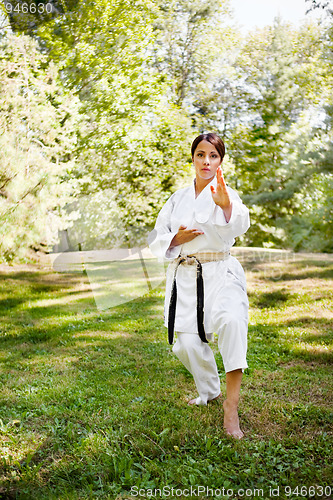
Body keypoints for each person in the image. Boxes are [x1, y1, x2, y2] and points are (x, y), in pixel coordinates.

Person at [148, 133, 250, 439]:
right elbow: (156, 238)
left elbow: (241, 224)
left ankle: (230, 409)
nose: (206, 161)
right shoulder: (177, 198)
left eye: (213, 156)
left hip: (221, 272)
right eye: (200, 155)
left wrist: (227, 205)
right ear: (193, 158)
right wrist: (175, 239)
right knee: (187, 344)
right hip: (186, 277)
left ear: (220, 160)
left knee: (232, 323)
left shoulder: (226, 192)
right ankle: (210, 391)